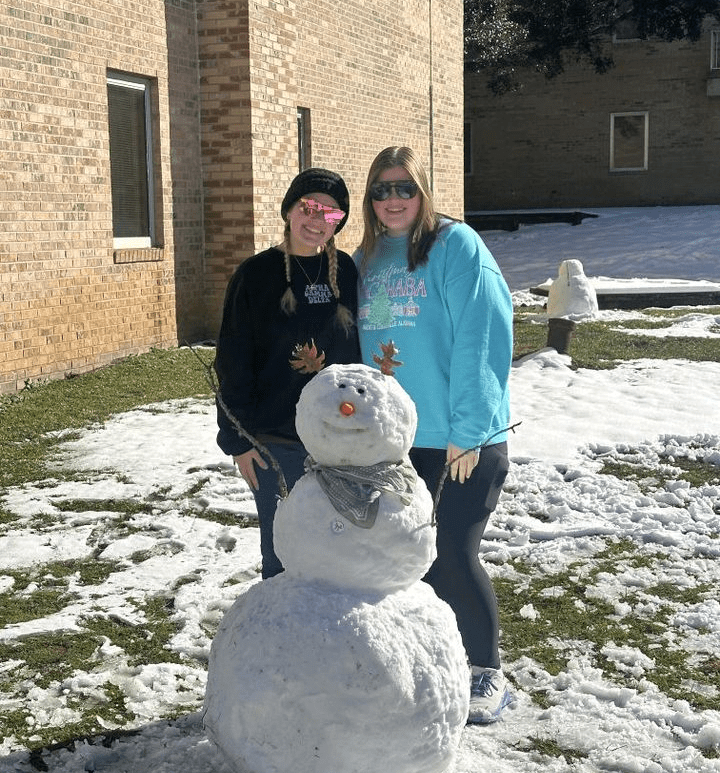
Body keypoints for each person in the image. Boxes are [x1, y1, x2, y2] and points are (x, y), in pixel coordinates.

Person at [354, 146, 513, 724]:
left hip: (459, 438)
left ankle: (485, 671)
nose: (392, 200)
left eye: (404, 188)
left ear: (423, 191)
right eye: (381, 190)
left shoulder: (456, 245)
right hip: (397, 440)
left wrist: (469, 430)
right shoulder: (367, 257)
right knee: (406, 558)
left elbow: (483, 337)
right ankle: (432, 659)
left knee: (451, 552)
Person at [214, 168, 361, 579]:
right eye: (309, 207)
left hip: (339, 441)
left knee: (338, 550)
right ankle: (282, 640)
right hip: (277, 441)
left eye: (332, 214)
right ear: (290, 211)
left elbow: (359, 352)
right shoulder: (256, 275)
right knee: (283, 556)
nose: (318, 221)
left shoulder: (345, 272)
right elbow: (232, 358)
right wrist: (238, 440)